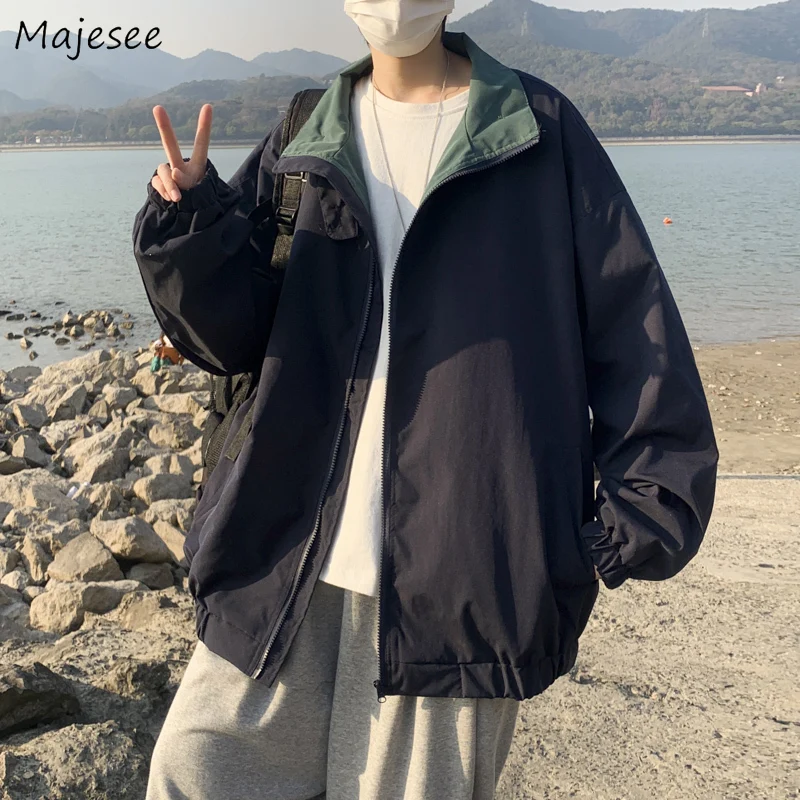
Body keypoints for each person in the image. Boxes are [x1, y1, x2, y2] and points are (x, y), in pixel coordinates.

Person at [133, 2, 718, 798]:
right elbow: (232, 337)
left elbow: (634, 326)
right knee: (193, 770)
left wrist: (619, 527)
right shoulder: (305, 131)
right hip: (283, 558)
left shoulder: (536, 131)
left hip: (462, 584)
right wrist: (191, 221)